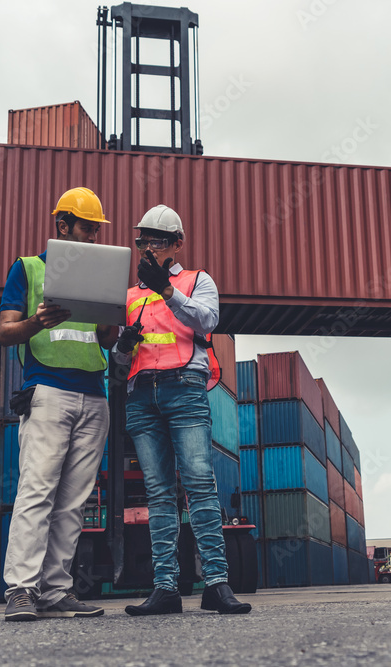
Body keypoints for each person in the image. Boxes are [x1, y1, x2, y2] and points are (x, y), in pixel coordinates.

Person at [112, 204, 252, 616]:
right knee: (158, 494)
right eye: (142, 240)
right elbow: (120, 361)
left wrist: (169, 291)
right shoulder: (129, 296)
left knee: (198, 484)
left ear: (176, 244)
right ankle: (166, 588)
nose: (147, 247)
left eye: (155, 240)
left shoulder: (197, 280)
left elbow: (207, 321)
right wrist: (121, 348)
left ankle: (216, 584)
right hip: (141, 395)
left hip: (185, 390)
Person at [0, 187, 119, 621]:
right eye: (86, 228)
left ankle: (56, 590)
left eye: (95, 230)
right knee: (37, 491)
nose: (91, 237)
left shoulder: (104, 275)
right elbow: (5, 333)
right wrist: (35, 321)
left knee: (73, 502)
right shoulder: (28, 269)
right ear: (62, 226)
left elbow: (105, 340)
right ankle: (22, 589)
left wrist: (112, 319)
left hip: (94, 395)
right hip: (47, 391)